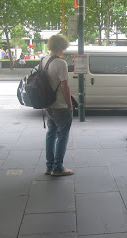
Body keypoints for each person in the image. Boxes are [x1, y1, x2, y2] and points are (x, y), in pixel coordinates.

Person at [43, 34, 74, 176]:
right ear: (62, 46)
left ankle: (49, 166)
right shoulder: (61, 63)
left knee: (51, 134)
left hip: (48, 104)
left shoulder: (44, 60)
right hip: (61, 106)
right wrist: (69, 104)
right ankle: (58, 168)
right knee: (62, 136)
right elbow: (65, 87)